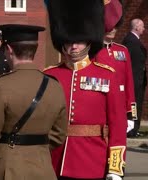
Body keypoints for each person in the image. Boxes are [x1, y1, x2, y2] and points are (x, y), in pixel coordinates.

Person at [44, 0, 127, 179]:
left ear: (89, 41)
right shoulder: (50, 75)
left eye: (79, 41)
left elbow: (118, 125)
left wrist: (115, 168)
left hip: (92, 160)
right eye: (69, 41)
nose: (74, 46)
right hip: (54, 160)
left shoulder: (107, 75)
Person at [0, 24, 68, 180]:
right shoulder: (54, 85)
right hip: (43, 167)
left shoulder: (0, 86)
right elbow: (59, 134)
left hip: (9, 166)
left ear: (10, 50)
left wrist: (3, 149)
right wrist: (37, 148)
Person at [95, 0, 137, 133]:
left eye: (115, 26)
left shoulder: (123, 51)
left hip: (119, 108)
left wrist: (132, 114)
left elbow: (129, 84)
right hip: (100, 107)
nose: (113, 29)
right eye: (110, 26)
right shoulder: (93, 50)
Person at [122, 18, 147, 138]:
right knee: (133, 105)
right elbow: (125, 62)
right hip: (133, 81)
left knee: (137, 104)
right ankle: (131, 129)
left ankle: (134, 129)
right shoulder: (130, 41)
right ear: (136, 27)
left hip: (138, 81)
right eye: (142, 26)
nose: (144, 29)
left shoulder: (134, 40)